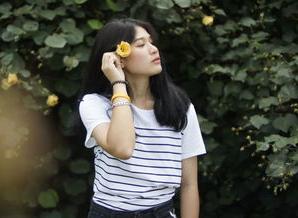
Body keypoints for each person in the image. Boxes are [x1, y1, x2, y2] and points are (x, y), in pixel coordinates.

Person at [78, 18, 206, 218]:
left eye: (151, 42)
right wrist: (118, 83)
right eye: (141, 44)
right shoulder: (95, 104)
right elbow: (122, 148)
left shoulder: (180, 107)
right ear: (118, 58)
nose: (154, 49)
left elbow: (189, 185)